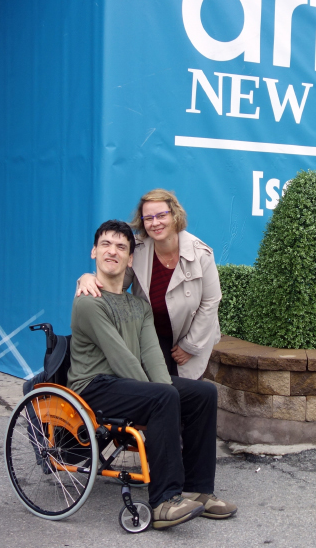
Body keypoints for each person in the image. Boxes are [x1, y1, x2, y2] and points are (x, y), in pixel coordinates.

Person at [69, 219, 236, 529]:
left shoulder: (139, 305)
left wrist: (166, 389)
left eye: (121, 247)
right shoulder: (89, 302)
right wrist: (162, 395)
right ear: (94, 251)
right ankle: (163, 502)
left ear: (130, 259)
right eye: (105, 244)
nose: (112, 251)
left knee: (202, 393)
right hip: (94, 387)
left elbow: (152, 357)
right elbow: (121, 359)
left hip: (127, 383)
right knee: (162, 397)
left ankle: (197, 489)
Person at [76, 189, 221, 380]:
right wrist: (88, 278)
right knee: (157, 387)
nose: (155, 223)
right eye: (148, 218)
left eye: (161, 215)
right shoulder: (137, 249)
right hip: (151, 334)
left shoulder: (201, 254)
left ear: (175, 215)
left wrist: (190, 346)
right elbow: (115, 284)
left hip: (190, 335)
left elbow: (211, 301)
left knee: (191, 390)